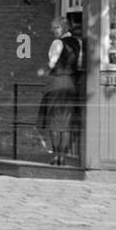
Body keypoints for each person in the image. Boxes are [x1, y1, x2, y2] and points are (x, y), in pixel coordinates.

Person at [37, 18, 81, 165]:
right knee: (66, 122)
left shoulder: (57, 43)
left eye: (56, 27)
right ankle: (63, 156)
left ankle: (56, 156)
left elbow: (52, 62)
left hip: (56, 84)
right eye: (53, 27)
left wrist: (46, 67)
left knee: (54, 121)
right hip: (71, 83)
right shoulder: (76, 43)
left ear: (63, 28)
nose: (53, 30)